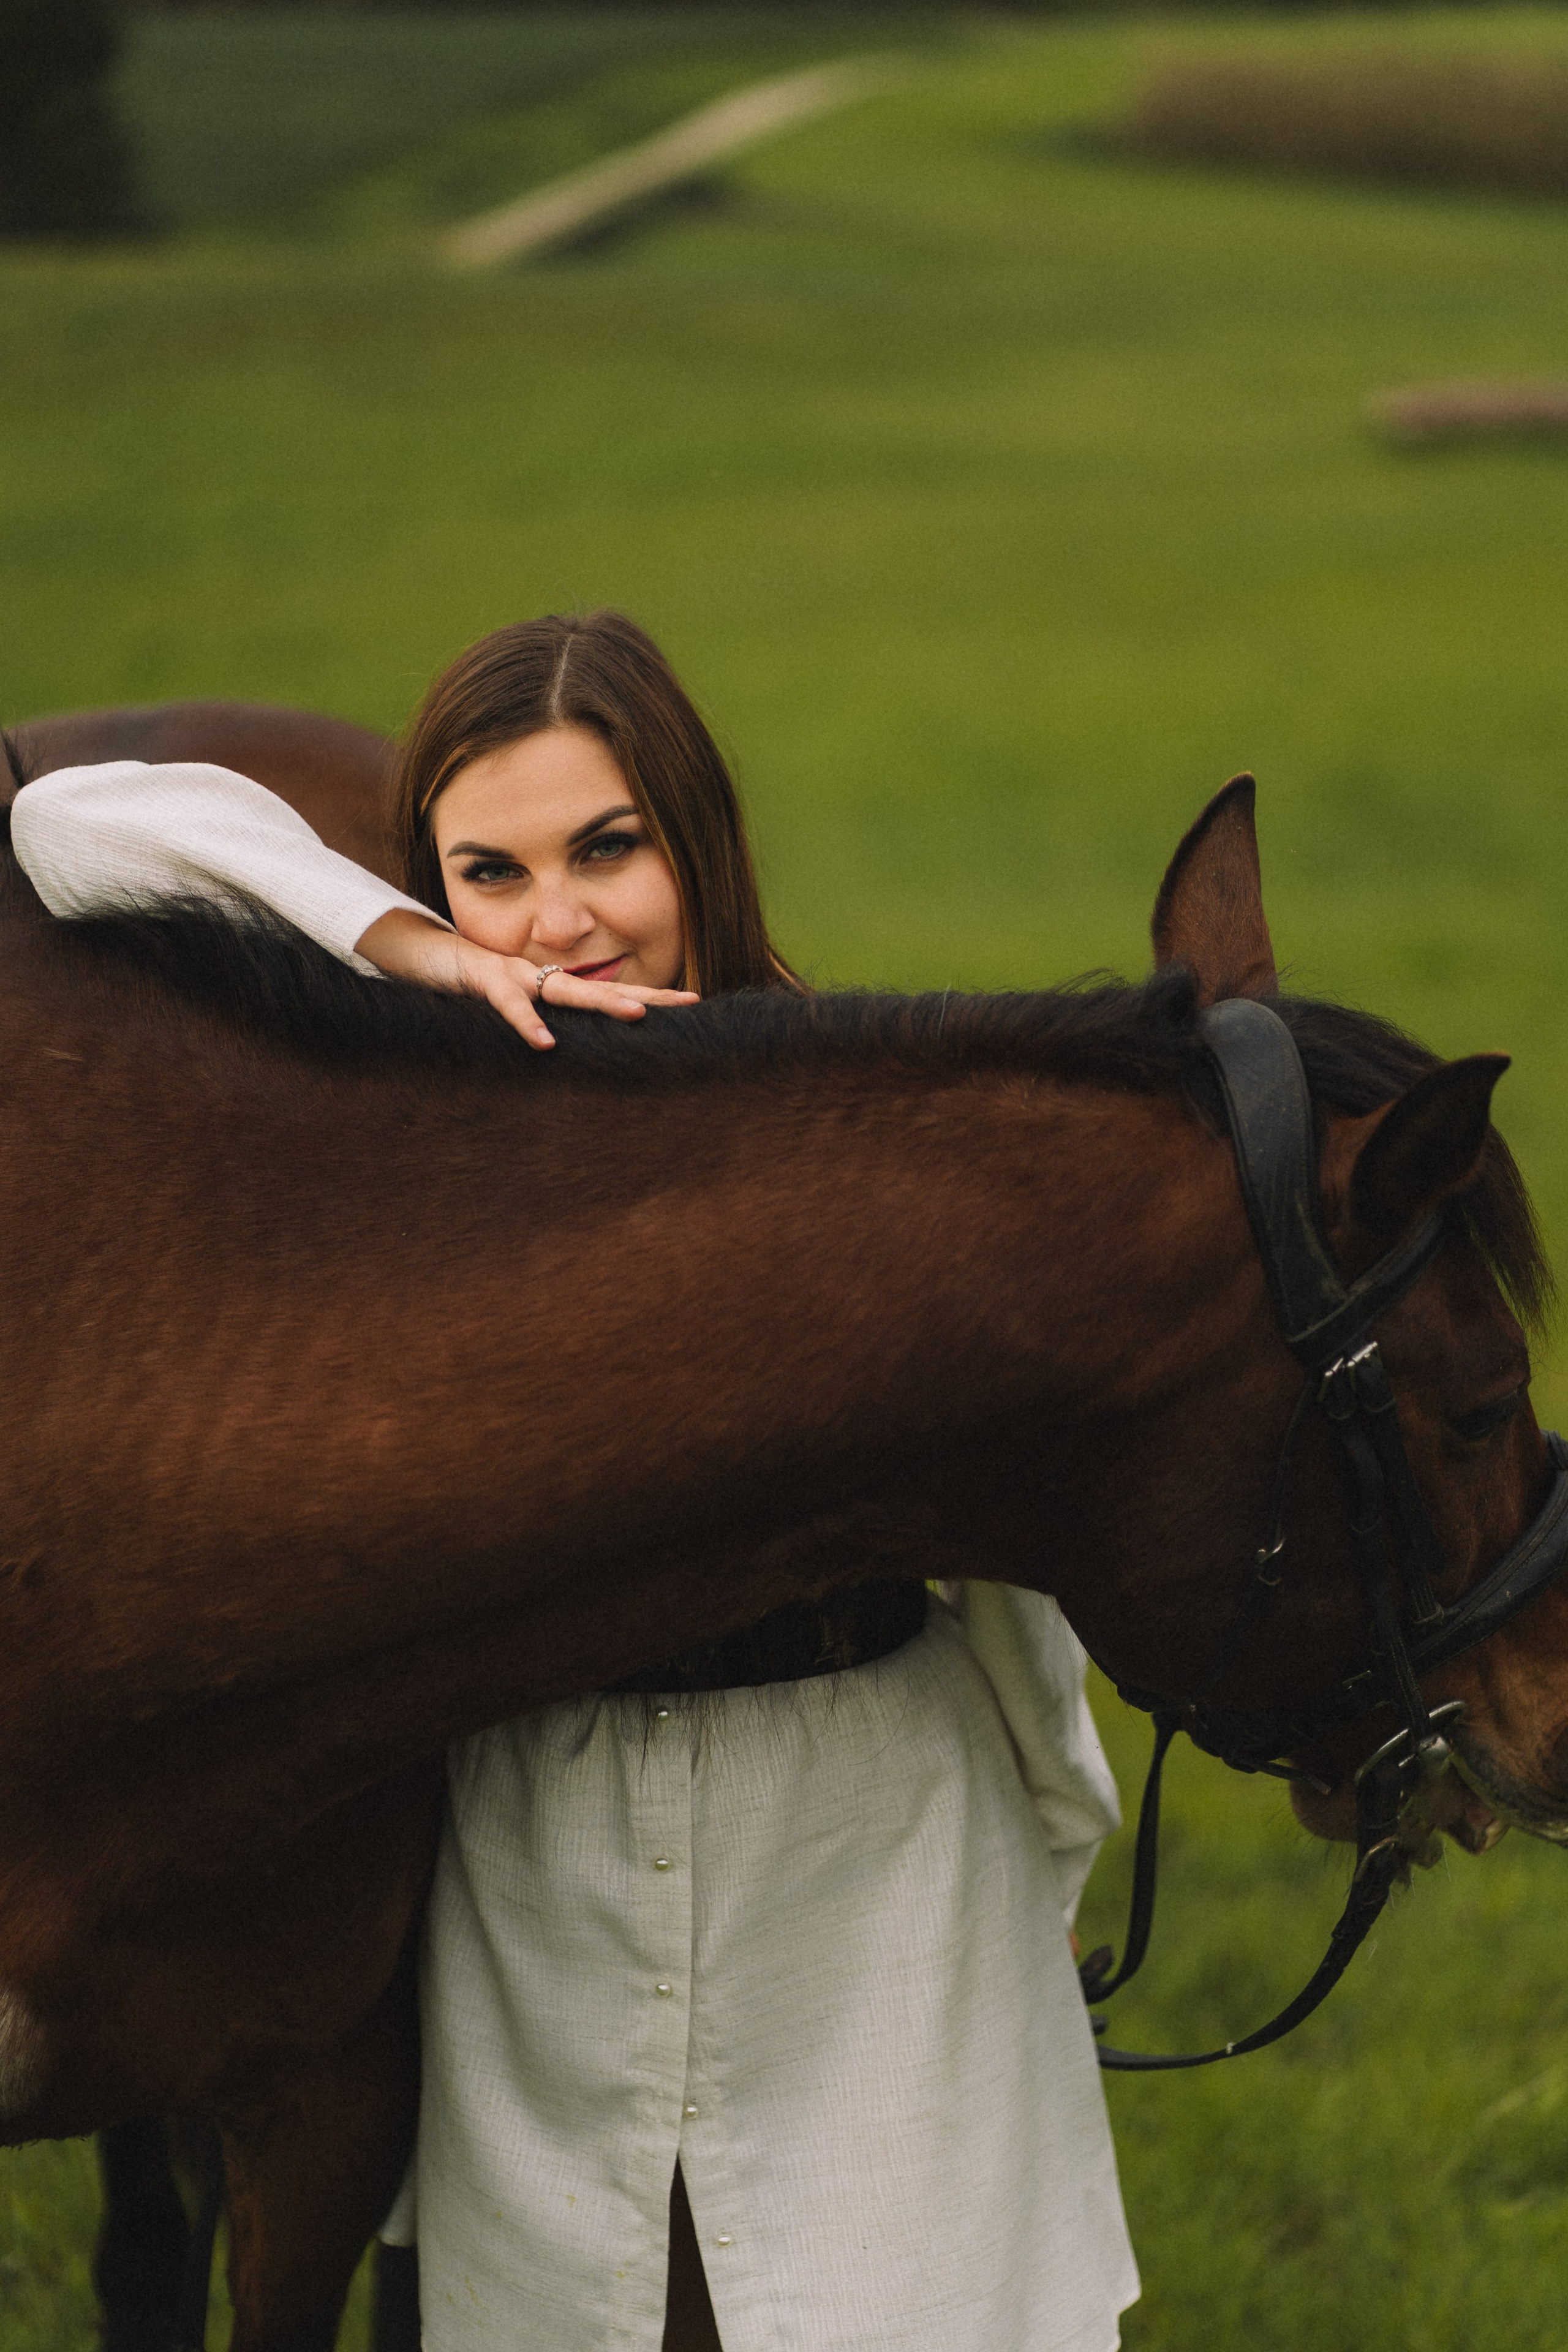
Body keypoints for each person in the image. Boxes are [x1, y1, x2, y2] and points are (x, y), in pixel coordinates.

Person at [12, 611, 1140, 2352]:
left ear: (699, 836)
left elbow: (1019, 1576)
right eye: (496, 870)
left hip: (859, 1864)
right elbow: (73, 824)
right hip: (552, 1873)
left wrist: (1045, 1861)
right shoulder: (442, 1146)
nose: (562, 920)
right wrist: (411, 953)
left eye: (610, 847)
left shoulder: (842, 1115)